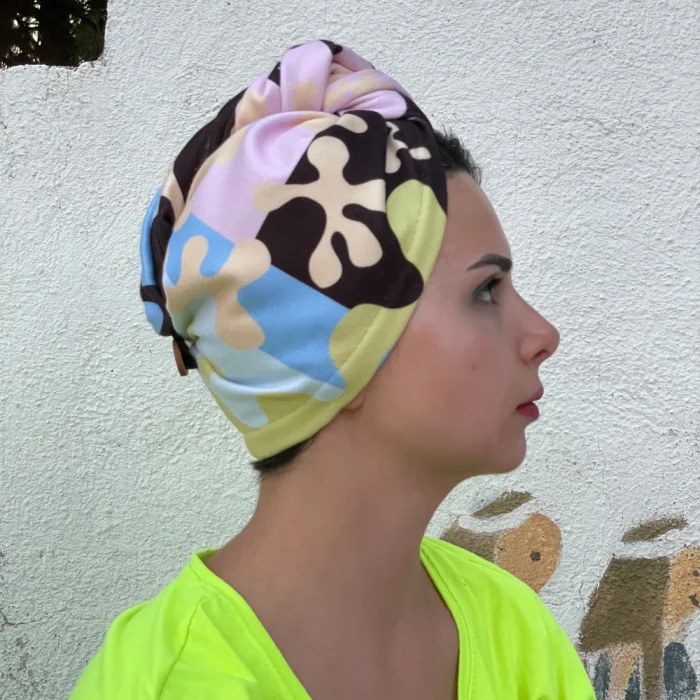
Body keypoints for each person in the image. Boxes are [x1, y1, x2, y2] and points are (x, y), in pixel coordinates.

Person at [70, 39, 595, 699]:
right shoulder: (165, 686)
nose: (543, 336)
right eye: (486, 290)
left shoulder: (514, 627)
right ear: (335, 356)